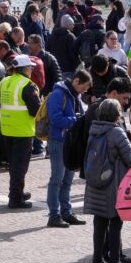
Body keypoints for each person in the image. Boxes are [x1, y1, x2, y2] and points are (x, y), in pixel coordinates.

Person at [83, 99, 131, 263]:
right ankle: (115, 262)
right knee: (115, 223)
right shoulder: (116, 132)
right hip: (113, 184)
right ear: (116, 114)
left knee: (99, 223)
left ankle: (97, 260)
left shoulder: (93, 130)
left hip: (95, 184)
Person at [46, 69, 92, 228]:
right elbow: (55, 119)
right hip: (58, 141)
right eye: (83, 87)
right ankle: (54, 215)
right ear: (76, 81)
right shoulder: (58, 94)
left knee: (67, 180)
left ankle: (66, 212)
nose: (84, 91)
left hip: (70, 142)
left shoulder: (74, 95)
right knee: (57, 179)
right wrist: (77, 120)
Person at [0, 55, 42, 209]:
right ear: (25, 69)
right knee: (20, 167)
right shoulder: (27, 85)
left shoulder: (5, 81)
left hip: (7, 128)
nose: (32, 70)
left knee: (14, 165)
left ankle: (17, 192)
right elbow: (36, 110)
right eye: (30, 67)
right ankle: (15, 199)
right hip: (22, 131)